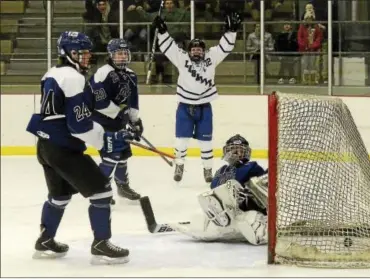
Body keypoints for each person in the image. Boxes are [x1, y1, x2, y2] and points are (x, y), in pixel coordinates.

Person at [26, 31, 133, 265]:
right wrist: (107, 140)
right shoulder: (74, 78)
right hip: (64, 148)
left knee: (59, 196)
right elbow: (78, 125)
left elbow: (62, 113)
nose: (86, 57)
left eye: (87, 53)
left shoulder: (51, 73)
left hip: (45, 145)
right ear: (67, 53)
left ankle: (45, 240)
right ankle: (101, 244)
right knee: (103, 192)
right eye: (80, 53)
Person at [151, 12, 242, 183]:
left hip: (204, 106)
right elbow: (168, 47)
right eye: (194, 49)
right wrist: (163, 31)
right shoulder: (181, 58)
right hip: (185, 106)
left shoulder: (212, 57)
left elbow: (225, 47)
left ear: (204, 50)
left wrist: (231, 31)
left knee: (206, 143)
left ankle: (207, 170)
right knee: (181, 142)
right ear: (189, 51)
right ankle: (179, 164)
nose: (196, 52)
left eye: (199, 49)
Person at [170, 134, 269, 245]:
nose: (237, 153)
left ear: (246, 153)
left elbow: (260, 187)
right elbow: (214, 188)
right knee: (200, 214)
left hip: (246, 207)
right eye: (233, 150)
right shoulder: (221, 171)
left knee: (236, 189)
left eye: (240, 151)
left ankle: (254, 226)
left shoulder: (252, 166)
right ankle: (218, 219)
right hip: (226, 209)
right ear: (226, 152)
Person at [86, 38, 143, 204]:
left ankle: (122, 186)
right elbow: (99, 102)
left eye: (125, 53)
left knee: (123, 154)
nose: (123, 57)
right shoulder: (104, 73)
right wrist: (120, 112)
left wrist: (135, 121)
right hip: (100, 121)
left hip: (117, 121)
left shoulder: (131, 75)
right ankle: (99, 190)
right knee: (111, 156)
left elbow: (133, 101)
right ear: (111, 55)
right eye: (119, 53)